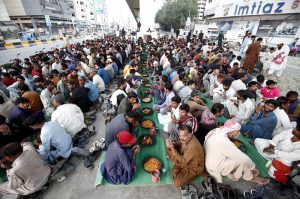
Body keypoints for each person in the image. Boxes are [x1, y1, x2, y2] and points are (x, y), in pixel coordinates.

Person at [204, 119, 269, 185]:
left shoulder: (217, 131)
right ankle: (251, 177)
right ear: (230, 131)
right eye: (237, 131)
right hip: (214, 167)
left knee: (237, 156)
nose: (239, 133)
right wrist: (253, 167)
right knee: (244, 160)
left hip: (210, 161)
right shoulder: (224, 141)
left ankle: (233, 175)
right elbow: (243, 159)